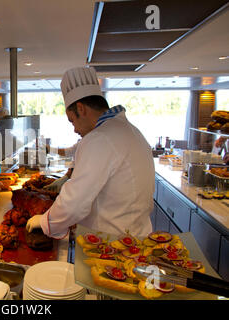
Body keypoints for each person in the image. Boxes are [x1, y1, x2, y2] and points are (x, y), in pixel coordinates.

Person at [26, 66, 155, 238]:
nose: (74, 129)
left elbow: (74, 203)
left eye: (72, 121)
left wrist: (44, 221)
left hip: (110, 244)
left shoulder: (99, 138)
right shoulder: (130, 130)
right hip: (135, 237)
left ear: (81, 109)